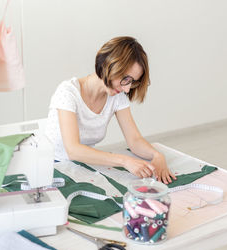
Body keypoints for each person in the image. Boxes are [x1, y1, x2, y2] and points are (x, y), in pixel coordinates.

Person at [45, 36, 176, 184]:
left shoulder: (116, 96)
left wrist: (157, 156)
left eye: (132, 82)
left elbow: (134, 140)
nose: (127, 89)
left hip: (82, 167)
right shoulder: (67, 93)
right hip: (52, 168)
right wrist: (124, 161)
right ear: (108, 66)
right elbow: (73, 150)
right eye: (125, 79)